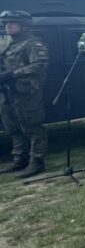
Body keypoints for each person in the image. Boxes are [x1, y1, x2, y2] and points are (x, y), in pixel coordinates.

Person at [0, 11, 49, 178]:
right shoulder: (8, 43)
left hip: (27, 92)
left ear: (24, 25)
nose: (8, 25)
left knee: (32, 126)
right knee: (13, 127)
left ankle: (37, 162)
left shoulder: (33, 44)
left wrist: (12, 74)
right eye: (6, 23)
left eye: (13, 23)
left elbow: (39, 65)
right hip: (9, 92)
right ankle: (18, 159)